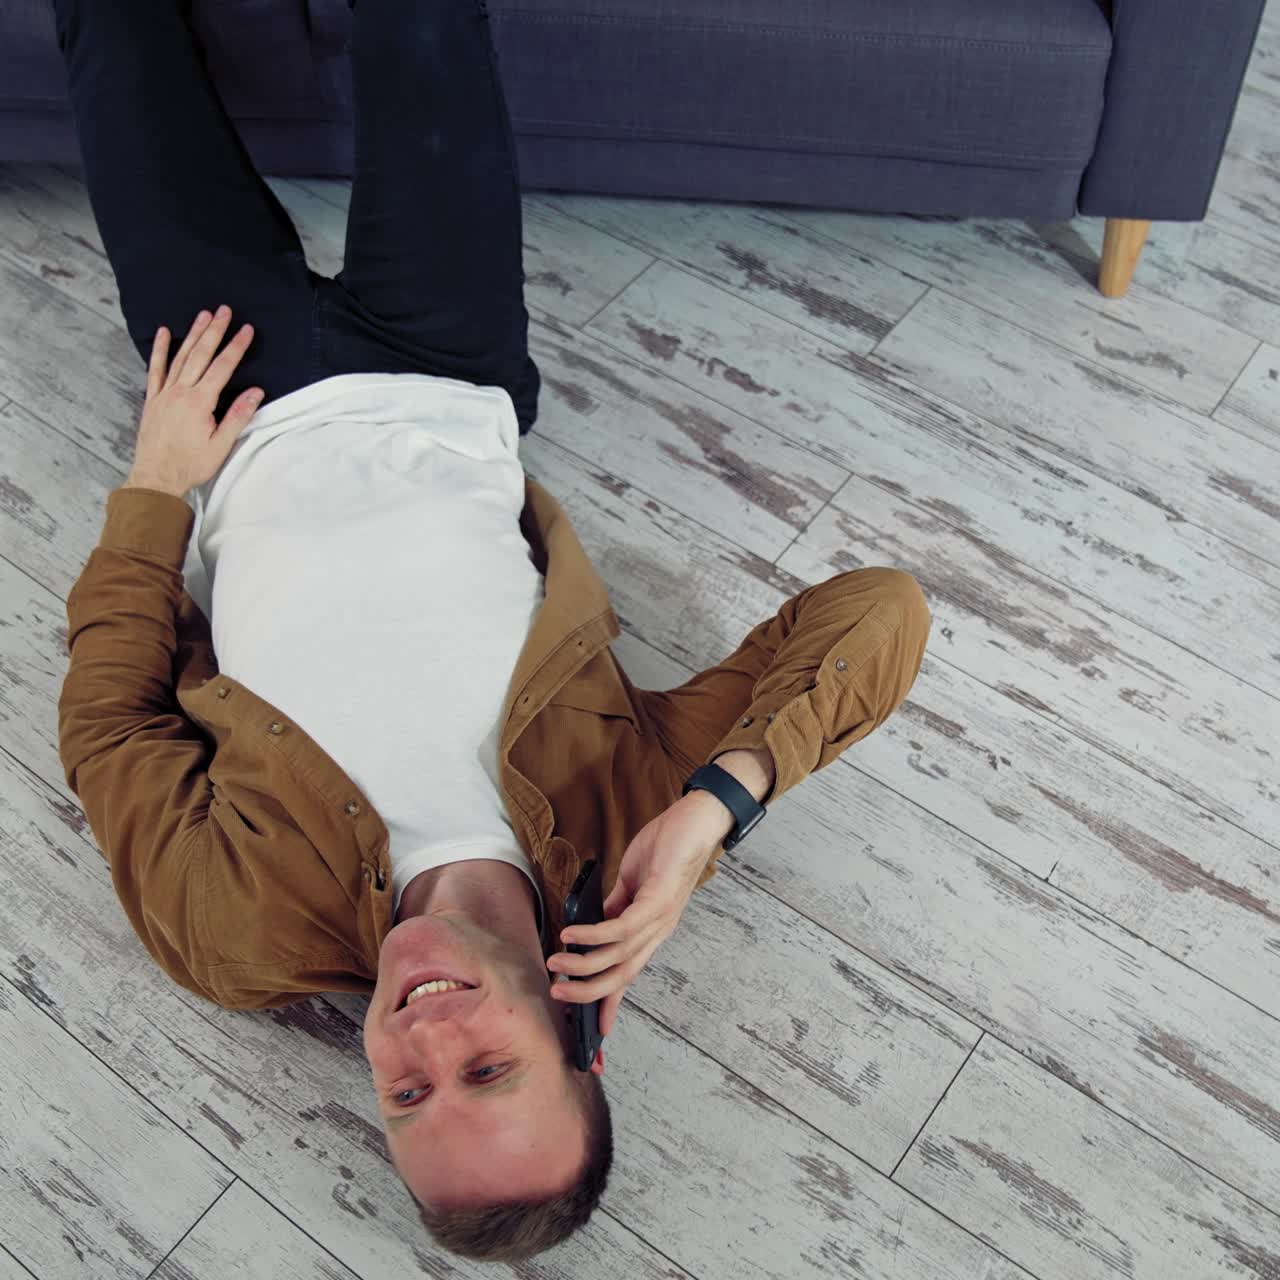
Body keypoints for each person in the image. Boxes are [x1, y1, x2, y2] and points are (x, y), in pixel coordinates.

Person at [52, 0, 931, 1264]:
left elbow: (105, 723)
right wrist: (710, 813)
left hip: (228, 402)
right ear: (581, 1032)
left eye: (407, 1094)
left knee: (112, 33)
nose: (423, 1040)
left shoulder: (234, 932)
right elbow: (878, 609)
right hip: (445, 360)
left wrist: (154, 486)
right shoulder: (629, 824)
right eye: (486, 1068)